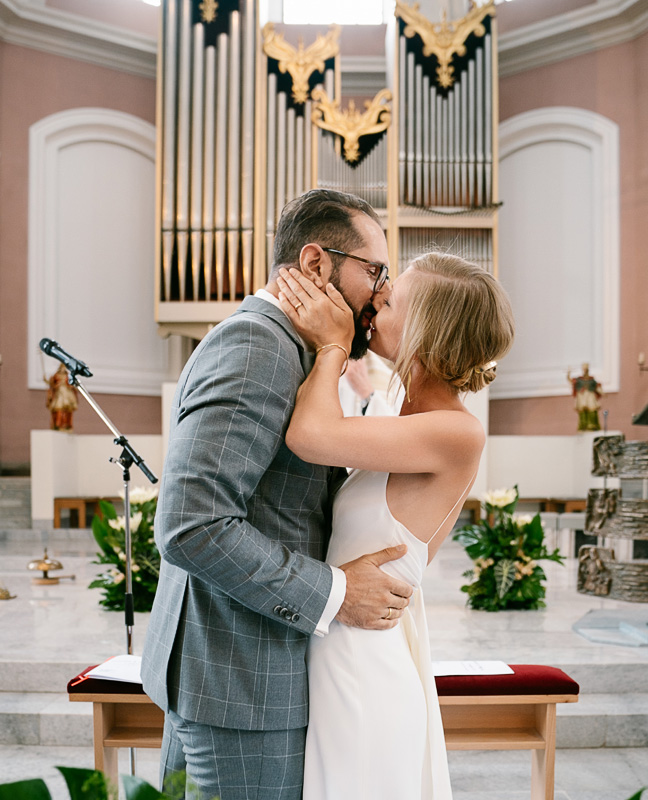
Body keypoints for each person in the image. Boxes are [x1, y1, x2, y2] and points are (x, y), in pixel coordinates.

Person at [141, 189, 414, 800]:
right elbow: (192, 524)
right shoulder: (258, 347)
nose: (381, 291)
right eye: (375, 271)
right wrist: (338, 593)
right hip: (242, 678)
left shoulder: (295, 351)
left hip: (234, 666)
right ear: (316, 264)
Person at [276, 252, 515, 800]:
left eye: (390, 302)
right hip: (340, 648)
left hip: (365, 667)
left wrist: (333, 346)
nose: (373, 304)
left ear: (429, 333)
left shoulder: (457, 433)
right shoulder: (396, 415)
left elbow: (308, 435)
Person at [567, 363, 602, 431]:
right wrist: (568, 373)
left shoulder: (591, 380)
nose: (585, 370)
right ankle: (583, 425)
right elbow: (571, 380)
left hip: (590, 396)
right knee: (582, 411)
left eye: (586, 369)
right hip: (582, 397)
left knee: (592, 410)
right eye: (584, 369)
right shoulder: (579, 380)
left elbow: (597, 386)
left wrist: (601, 392)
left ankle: (592, 425)